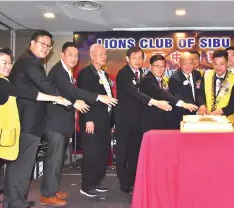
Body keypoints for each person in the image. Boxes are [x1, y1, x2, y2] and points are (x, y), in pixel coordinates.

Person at [0, 46, 70, 208]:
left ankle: (12, 202)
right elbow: (26, 93)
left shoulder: (0, 81)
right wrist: (56, 98)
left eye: (10, 62)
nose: (8, 66)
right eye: (3, 62)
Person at [41, 42, 117, 205]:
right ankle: (49, 193)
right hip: (57, 122)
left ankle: (53, 190)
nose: (74, 58)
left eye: (76, 55)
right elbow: (76, 93)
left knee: (59, 160)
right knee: (56, 159)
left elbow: (70, 93)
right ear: (62, 55)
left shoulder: (72, 72)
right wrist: (90, 113)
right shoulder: (65, 72)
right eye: (70, 54)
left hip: (69, 122)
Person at [115, 47, 172, 194]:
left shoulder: (141, 73)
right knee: (123, 152)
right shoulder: (124, 74)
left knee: (134, 152)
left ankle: (133, 180)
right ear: (127, 59)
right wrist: (155, 102)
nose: (138, 60)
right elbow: (134, 93)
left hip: (137, 121)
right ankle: (123, 183)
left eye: (140, 58)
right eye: (134, 57)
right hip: (124, 120)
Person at [77, 44, 118, 197]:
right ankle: (86, 185)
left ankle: (96, 181)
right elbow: (83, 96)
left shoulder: (104, 74)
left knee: (101, 153)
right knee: (91, 153)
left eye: (105, 54)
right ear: (92, 56)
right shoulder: (85, 74)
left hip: (105, 120)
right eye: (100, 53)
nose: (104, 56)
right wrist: (88, 119)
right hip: (92, 120)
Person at [139, 54, 198, 133]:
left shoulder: (160, 80)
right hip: (150, 123)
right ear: (150, 66)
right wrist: (183, 104)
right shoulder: (148, 80)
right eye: (157, 66)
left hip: (160, 122)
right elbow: (160, 93)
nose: (160, 69)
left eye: (162, 66)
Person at [197, 49, 234, 123]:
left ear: (227, 63)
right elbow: (200, 93)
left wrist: (220, 111)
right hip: (207, 119)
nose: (218, 67)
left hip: (226, 121)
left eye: (222, 64)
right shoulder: (207, 74)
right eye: (215, 64)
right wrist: (202, 105)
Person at [167, 52, 201, 129]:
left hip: (195, 116)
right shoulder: (174, 78)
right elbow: (179, 97)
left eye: (190, 63)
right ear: (179, 64)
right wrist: (197, 109)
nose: (188, 66)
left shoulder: (197, 74)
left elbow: (199, 92)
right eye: (185, 64)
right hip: (181, 116)